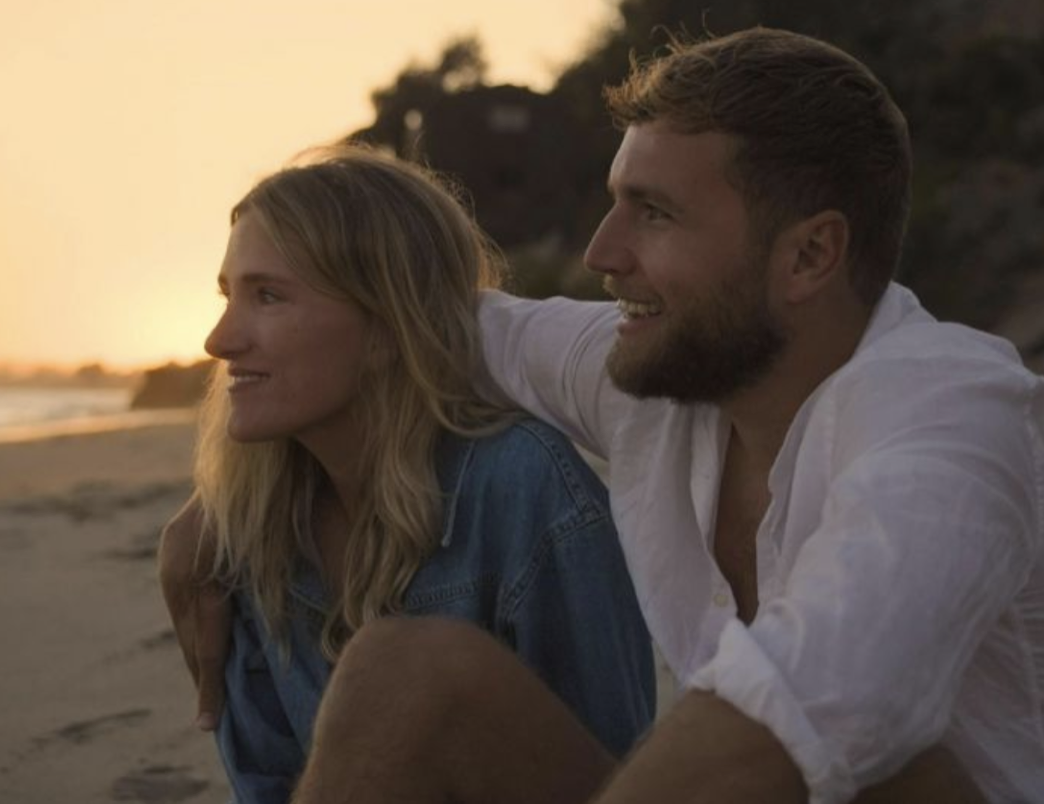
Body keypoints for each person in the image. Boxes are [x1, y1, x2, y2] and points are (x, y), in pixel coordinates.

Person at [162, 28, 1044, 803]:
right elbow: (416, 319)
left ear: (810, 254)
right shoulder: (658, 378)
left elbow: (829, 695)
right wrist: (229, 500)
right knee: (403, 674)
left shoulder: (946, 417)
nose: (601, 253)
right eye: (616, 200)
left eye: (653, 213)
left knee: (890, 762)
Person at [163, 145, 656, 803]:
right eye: (228, 296)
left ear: (385, 328)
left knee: (396, 667)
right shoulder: (248, 527)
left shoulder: (523, 489)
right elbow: (267, 787)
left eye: (268, 297)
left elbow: (607, 771)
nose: (219, 341)